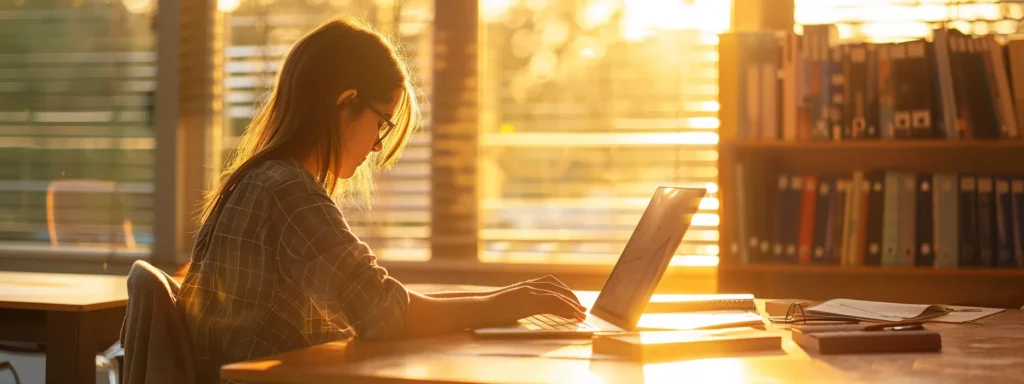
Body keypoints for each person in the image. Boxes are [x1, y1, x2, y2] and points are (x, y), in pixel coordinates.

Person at [175, 16, 586, 381]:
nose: (377, 145)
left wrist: (507, 301)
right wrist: (504, 303)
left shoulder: (259, 180)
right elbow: (382, 313)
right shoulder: (288, 190)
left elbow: (380, 299)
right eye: (382, 122)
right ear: (345, 103)